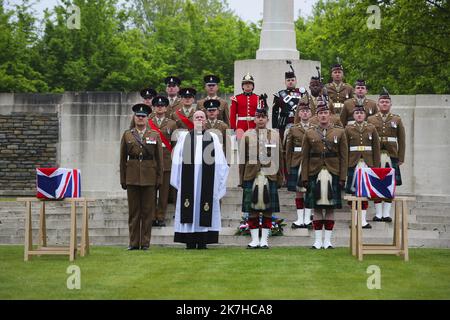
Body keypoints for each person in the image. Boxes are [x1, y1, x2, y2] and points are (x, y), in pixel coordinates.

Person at [170, 110, 229, 249]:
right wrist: (178, 180)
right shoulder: (184, 137)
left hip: (206, 182)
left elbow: (220, 161)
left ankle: (203, 241)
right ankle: (189, 241)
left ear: (205, 120)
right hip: (188, 182)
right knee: (189, 208)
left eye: (202, 117)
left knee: (204, 207)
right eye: (197, 117)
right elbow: (177, 160)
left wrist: (219, 182)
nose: (199, 119)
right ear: (193, 119)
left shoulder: (213, 137)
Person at [301, 102, 348, 249]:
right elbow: (305, 156)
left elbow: (344, 156)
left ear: (330, 115)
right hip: (314, 172)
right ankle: (317, 241)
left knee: (330, 209)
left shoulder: (340, 132)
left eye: (325, 113)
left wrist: (342, 177)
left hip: (333, 171)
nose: (323, 115)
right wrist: (304, 177)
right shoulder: (309, 132)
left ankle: (327, 241)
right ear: (317, 115)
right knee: (315, 208)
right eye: (320, 113)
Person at [239, 103, 284, 249]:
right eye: (258, 117)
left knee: (268, 210)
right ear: (254, 119)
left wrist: (280, 178)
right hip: (251, 175)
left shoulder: (275, 135)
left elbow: (279, 158)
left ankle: (264, 240)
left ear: (267, 119)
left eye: (263, 117)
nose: (260, 120)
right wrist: (241, 179)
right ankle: (254, 240)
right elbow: (242, 160)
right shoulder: (246, 135)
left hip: (270, 175)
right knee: (251, 210)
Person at [120, 103, 163, 250]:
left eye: (143, 116)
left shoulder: (154, 135)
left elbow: (159, 159)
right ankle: (133, 243)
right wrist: (123, 179)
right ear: (134, 117)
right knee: (134, 212)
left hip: (149, 177)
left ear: (147, 119)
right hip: (132, 177)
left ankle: (145, 243)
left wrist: (159, 179)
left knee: (147, 212)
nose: (140, 118)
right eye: (138, 116)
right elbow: (122, 159)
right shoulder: (127, 135)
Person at [368, 88, 405, 222]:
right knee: (376, 183)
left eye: (387, 102)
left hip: (392, 155)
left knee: (390, 184)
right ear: (378, 104)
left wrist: (401, 157)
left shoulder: (397, 119)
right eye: (382, 102)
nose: (384, 104)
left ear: (390, 104)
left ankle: (386, 213)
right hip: (376, 155)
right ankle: (378, 214)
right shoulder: (371, 119)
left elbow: (402, 139)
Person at [344, 104, 381, 229]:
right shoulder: (348, 129)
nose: (359, 115)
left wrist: (376, 166)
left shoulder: (371, 128)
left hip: (367, 163)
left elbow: (376, 148)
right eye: (356, 113)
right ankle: (354, 219)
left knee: (365, 192)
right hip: (352, 163)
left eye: (361, 113)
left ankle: (363, 220)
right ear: (353, 115)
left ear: (365, 115)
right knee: (353, 193)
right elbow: (344, 149)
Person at [148, 96, 177, 227]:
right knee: (152, 191)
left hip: (166, 160)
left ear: (166, 108)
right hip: (152, 160)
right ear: (153, 108)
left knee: (164, 192)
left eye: (162, 106)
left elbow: (175, 143)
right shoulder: (148, 122)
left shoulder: (172, 123)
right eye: (157, 106)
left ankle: (161, 217)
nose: (160, 108)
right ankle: (152, 215)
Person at [286, 98, 313, 229]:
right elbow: (288, 149)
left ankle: (307, 218)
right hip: (297, 161)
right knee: (298, 191)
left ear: (311, 113)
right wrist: (288, 166)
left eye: (307, 111)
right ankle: (299, 218)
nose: (305, 113)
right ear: (299, 114)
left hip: (311, 162)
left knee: (309, 191)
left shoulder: (316, 128)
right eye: (302, 111)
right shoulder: (293, 129)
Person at [272, 67, 305, 142]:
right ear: (285, 82)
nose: (290, 82)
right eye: (288, 80)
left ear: (296, 81)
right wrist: (275, 127)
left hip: (299, 121)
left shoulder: (302, 93)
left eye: (292, 80)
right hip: (284, 123)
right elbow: (275, 112)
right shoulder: (279, 94)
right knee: (284, 143)